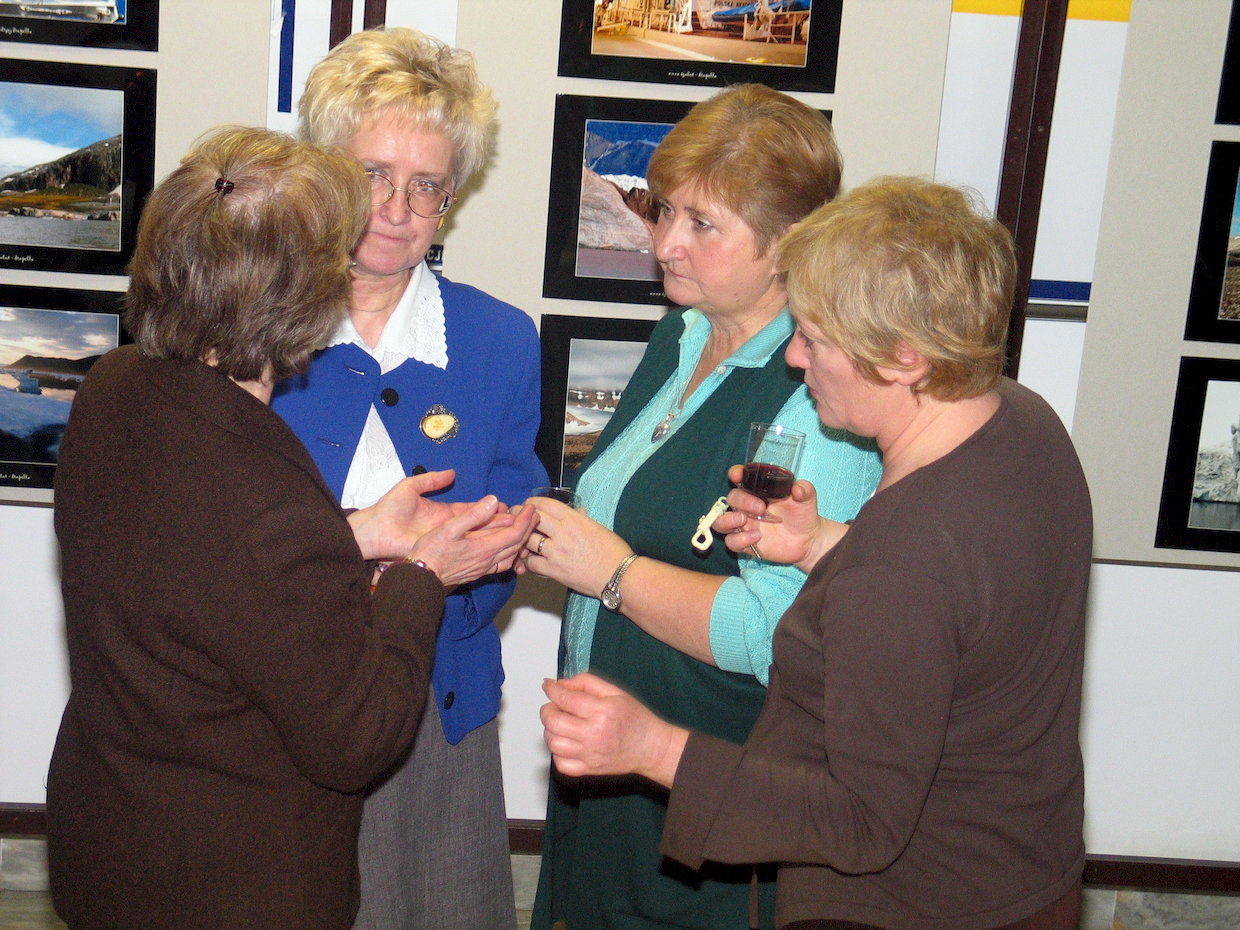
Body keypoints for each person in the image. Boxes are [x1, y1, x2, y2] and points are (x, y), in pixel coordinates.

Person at [541, 176, 1092, 930]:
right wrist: (821, 543)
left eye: (816, 338)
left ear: (904, 357)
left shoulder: (902, 564)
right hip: (1024, 874)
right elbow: (968, 601)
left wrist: (653, 746)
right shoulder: (1024, 423)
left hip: (917, 908)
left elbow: (858, 820)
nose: (796, 358)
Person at [45, 126, 537, 930]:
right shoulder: (262, 493)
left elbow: (199, 568)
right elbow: (359, 738)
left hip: (112, 841)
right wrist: (423, 575)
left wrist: (354, 533)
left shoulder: (116, 388)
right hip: (228, 885)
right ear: (307, 306)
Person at [523, 84, 883, 930]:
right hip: (610, 773)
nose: (665, 243)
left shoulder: (815, 398)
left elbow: (771, 635)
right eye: (664, 210)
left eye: (702, 224)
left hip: (708, 795)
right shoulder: (682, 333)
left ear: (788, 243)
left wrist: (610, 572)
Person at [269, 27, 547, 930]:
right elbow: (220, 539)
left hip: (437, 702)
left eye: (426, 185)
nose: (396, 208)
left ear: (450, 199)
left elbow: (506, 528)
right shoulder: (254, 327)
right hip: (271, 707)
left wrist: (468, 564)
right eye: (373, 174)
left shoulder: (501, 339)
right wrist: (391, 559)